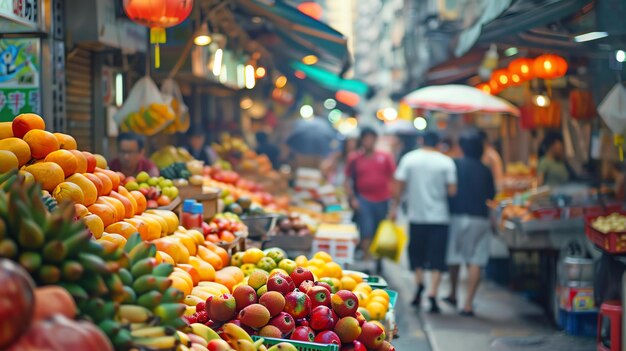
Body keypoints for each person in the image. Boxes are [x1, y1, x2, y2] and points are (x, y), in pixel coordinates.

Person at [390, 131, 457, 313]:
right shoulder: (446, 162)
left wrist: (395, 206)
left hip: (416, 216)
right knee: (437, 257)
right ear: (438, 143)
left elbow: (398, 186)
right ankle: (433, 292)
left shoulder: (409, 159)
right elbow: (452, 190)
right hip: (440, 217)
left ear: (421, 141)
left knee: (417, 254)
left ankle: (419, 285)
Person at [445, 131, 496, 317]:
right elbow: (491, 195)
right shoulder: (485, 169)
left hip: (457, 216)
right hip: (480, 218)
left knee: (454, 256)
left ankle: (452, 293)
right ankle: (467, 304)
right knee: (476, 259)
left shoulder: (454, 165)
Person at [345, 127, 396, 259]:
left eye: (371, 138)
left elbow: (393, 179)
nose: (368, 141)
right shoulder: (354, 158)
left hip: (383, 199)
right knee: (366, 229)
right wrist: (352, 199)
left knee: (379, 231)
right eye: (366, 139)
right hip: (363, 199)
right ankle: (367, 258)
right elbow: (348, 180)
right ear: (361, 140)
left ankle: (378, 259)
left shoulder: (385, 157)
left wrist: (394, 204)